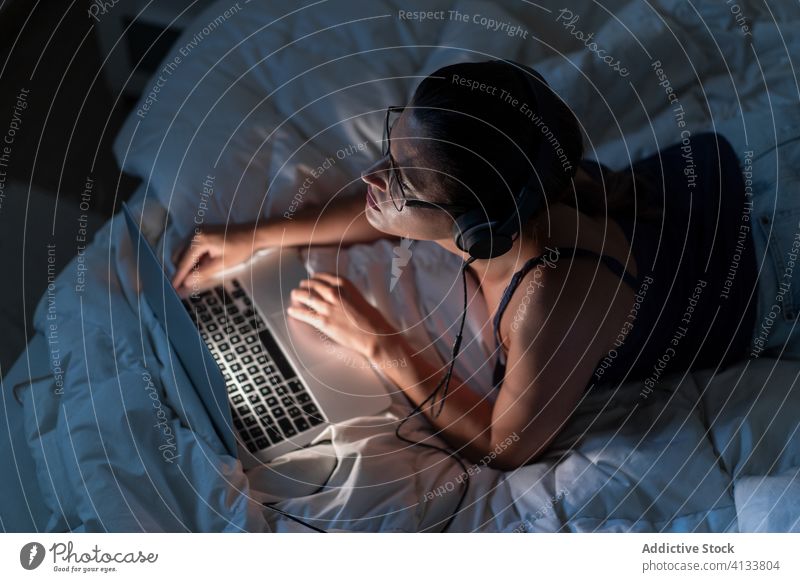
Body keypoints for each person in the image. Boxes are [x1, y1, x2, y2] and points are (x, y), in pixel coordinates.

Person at [171, 60, 765, 470]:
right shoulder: (508, 188)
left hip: (759, 249)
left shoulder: (553, 296)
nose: (371, 178)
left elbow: (506, 446)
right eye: (389, 149)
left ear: (474, 229)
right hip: (711, 177)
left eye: (400, 178)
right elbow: (380, 209)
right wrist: (254, 237)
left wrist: (379, 341)